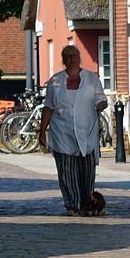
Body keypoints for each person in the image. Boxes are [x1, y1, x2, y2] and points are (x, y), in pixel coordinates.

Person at [40, 43, 108, 215]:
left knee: (87, 171)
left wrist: (101, 104)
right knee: (67, 171)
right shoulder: (55, 81)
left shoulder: (92, 78)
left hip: (87, 131)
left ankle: (87, 203)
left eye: (74, 55)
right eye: (67, 56)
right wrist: (42, 131)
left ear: (79, 58)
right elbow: (48, 107)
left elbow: (101, 98)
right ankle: (71, 204)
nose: (71, 59)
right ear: (63, 60)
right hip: (62, 131)